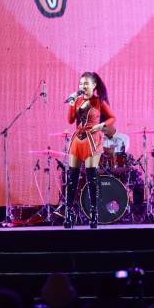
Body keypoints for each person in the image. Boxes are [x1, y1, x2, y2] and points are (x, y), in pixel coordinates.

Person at [65, 72, 116, 229]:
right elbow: (70, 120)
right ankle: (69, 214)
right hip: (77, 140)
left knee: (91, 178)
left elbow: (112, 118)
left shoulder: (99, 101)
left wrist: (101, 126)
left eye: (86, 83)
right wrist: (71, 103)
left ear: (94, 85)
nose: (83, 86)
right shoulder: (77, 100)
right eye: (81, 83)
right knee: (72, 178)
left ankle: (94, 214)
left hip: (92, 141)